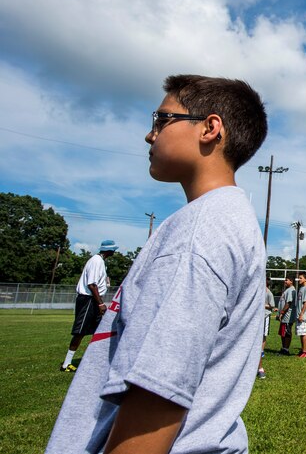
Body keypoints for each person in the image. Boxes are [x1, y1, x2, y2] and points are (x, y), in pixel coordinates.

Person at [46, 75, 268, 454]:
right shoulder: (223, 219)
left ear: (210, 129)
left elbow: (158, 394)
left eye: (162, 119)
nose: (150, 135)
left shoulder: (201, 230)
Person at [59, 239, 118, 372]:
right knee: (80, 331)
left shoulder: (101, 262)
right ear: (110, 250)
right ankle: (66, 363)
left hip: (94, 300)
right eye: (114, 249)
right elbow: (91, 284)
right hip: (88, 300)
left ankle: (95, 360)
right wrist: (101, 303)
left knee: (99, 330)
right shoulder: (96, 261)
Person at [258, 276, 277, 379]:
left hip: (266, 315)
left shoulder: (269, 293)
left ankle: (261, 350)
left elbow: (272, 306)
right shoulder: (258, 291)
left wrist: (264, 305)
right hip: (258, 315)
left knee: (264, 334)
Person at [277, 276, 297, 355]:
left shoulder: (291, 290)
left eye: (286, 280)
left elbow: (288, 303)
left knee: (287, 332)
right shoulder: (288, 290)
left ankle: (286, 350)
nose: (285, 281)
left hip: (287, 315)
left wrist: (282, 312)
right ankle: (283, 348)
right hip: (284, 316)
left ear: (291, 281)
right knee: (283, 332)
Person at [296, 271, 306, 358]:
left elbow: (305, 303)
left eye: (301, 278)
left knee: (303, 333)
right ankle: (302, 350)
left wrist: (302, 314)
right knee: (301, 333)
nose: (299, 279)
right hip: (299, 314)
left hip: (303, 315)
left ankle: (305, 352)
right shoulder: (301, 288)